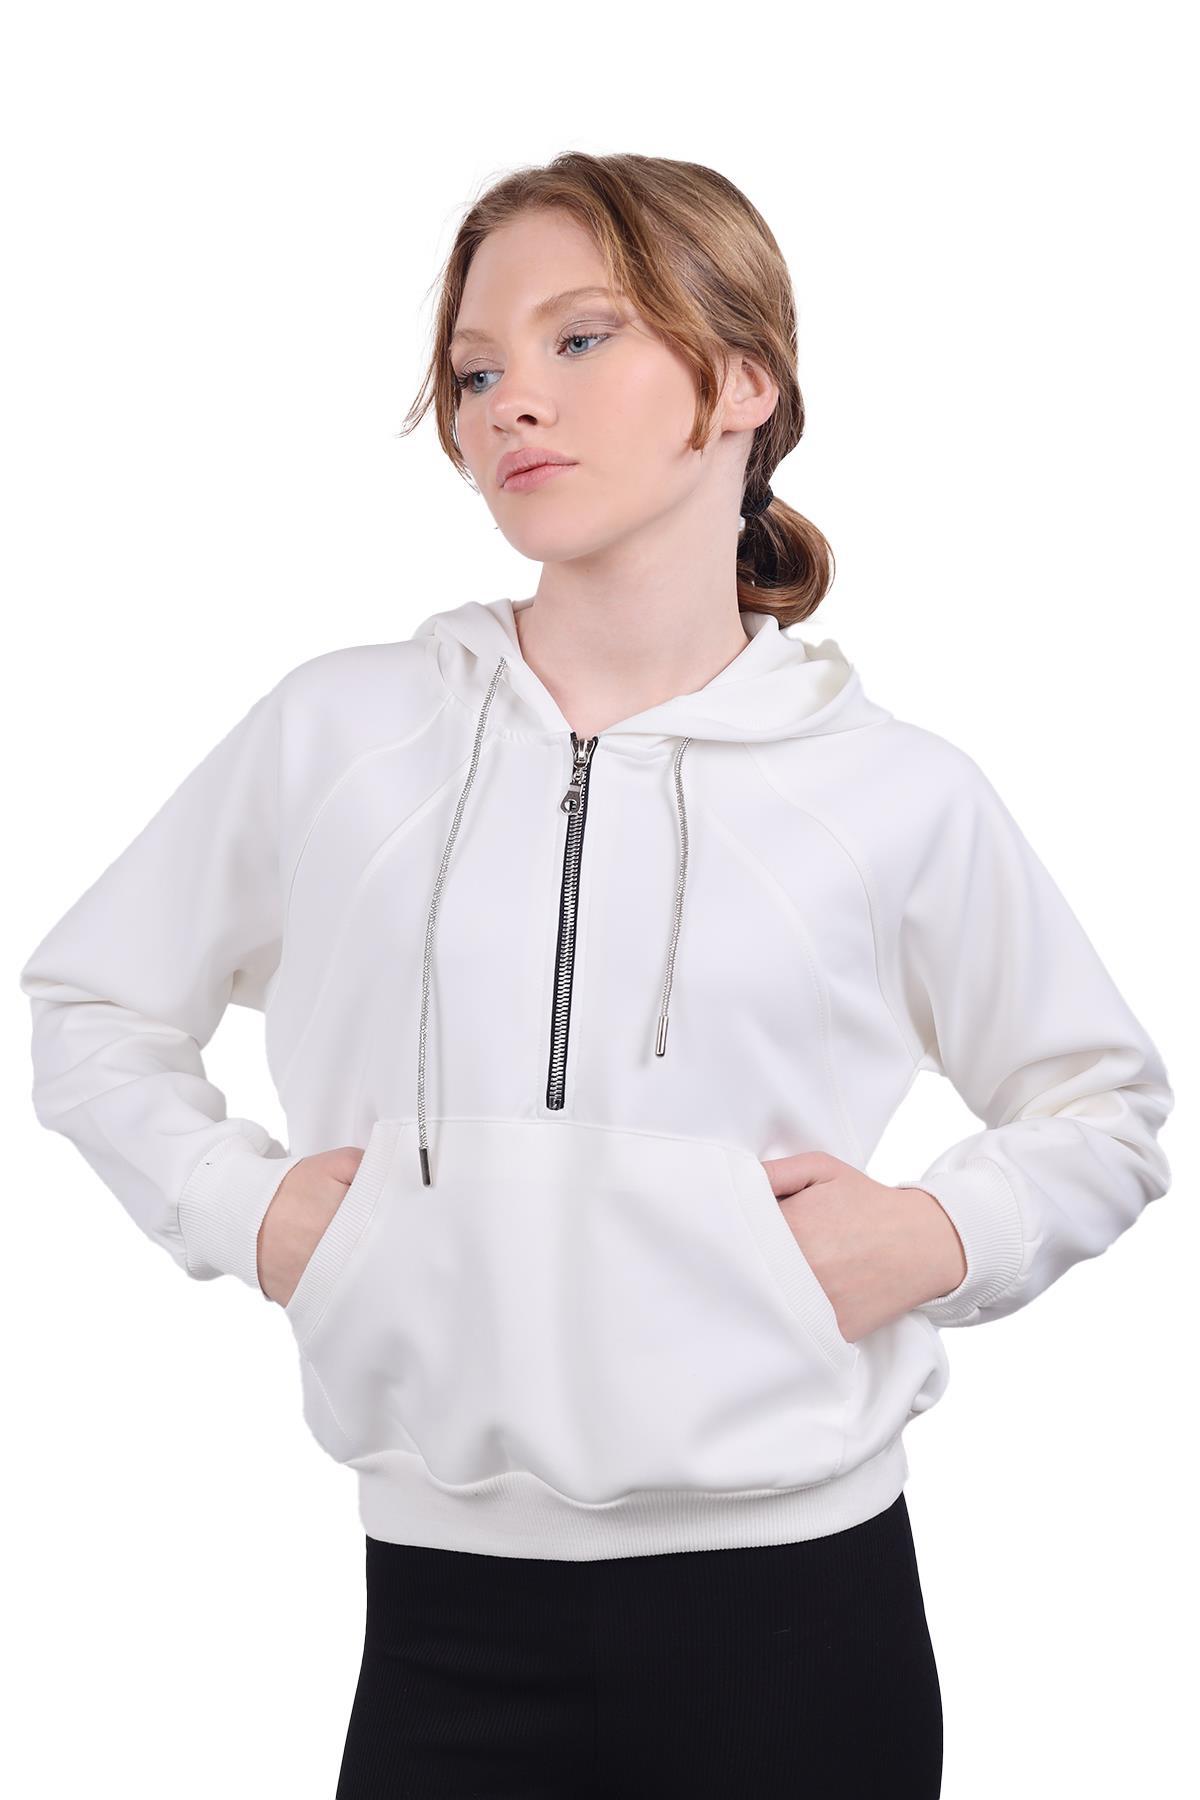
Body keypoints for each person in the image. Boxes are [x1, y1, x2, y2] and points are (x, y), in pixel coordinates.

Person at [18, 152, 1174, 1799]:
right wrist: (242, 1208)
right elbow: (95, 1003)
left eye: (579, 339)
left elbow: (1103, 1102)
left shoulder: (891, 791)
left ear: (743, 381)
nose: (509, 403)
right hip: (442, 1617)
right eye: (474, 369)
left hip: (800, 1620)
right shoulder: (343, 735)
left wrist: (938, 1233)